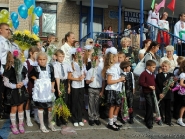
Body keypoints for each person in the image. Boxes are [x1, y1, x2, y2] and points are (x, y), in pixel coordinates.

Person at [29, 52, 56, 133]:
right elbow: (30, 75)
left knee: (50, 107)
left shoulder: (50, 67)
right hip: (41, 91)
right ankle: (42, 125)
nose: (42, 61)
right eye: (40, 59)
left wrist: (52, 87)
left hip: (48, 90)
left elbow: (53, 79)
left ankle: (50, 123)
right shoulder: (36, 68)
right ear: (37, 60)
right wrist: (36, 80)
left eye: (44, 59)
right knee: (40, 107)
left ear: (46, 60)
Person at [3, 52, 28, 134]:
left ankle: (20, 124)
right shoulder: (8, 69)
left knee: (21, 107)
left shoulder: (22, 67)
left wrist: (23, 83)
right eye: (14, 58)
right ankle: (13, 125)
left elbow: (26, 78)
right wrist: (15, 86)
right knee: (14, 108)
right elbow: (5, 82)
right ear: (10, 59)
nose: (17, 59)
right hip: (13, 91)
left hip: (21, 89)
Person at [102, 47, 125, 131]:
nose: (118, 58)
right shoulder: (110, 68)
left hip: (118, 89)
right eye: (116, 57)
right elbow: (109, 81)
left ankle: (114, 121)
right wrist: (119, 79)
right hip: (112, 89)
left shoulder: (117, 66)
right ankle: (110, 123)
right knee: (112, 106)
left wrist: (122, 78)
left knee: (117, 105)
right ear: (112, 58)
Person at [67, 48, 86, 127]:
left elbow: (84, 73)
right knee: (74, 102)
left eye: (82, 54)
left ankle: (79, 118)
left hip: (81, 85)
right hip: (75, 86)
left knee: (80, 102)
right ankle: (74, 119)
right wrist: (77, 79)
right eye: (80, 54)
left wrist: (83, 76)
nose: (82, 55)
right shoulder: (72, 64)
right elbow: (69, 77)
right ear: (75, 55)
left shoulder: (82, 63)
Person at [53, 49, 71, 126]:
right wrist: (58, 88)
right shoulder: (55, 65)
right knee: (59, 102)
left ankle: (64, 118)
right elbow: (57, 77)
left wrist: (69, 86)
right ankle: (58, 119)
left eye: (63, 56)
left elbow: (69, 76)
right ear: (56, 57)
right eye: (60, 56)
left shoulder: (66, 64)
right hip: (59, 83)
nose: (61, 58)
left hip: (65, 82)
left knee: (65, 101)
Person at [24, 46, 40, 127]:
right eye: (36, 53)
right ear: (31, 53)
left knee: (37, 101)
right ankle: (28, 118)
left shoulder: (38, 62)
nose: (37, 55)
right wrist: (26, 86)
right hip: (30, 83)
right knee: (28, 101)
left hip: (37, 84)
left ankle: (36, 116)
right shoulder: (26, 62)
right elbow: (26, 75)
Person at [85, 56, 103, 126]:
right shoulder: (90, 71)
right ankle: (91, 118)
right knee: (91, 103)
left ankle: (96, 117)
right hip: (91, 89)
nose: (95, 62)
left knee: (97, 104)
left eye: (96, 61)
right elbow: (86, 82)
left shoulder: (101, 70)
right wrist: (90, 80)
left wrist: (102, 90)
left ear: (98, 61)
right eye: (93, 61)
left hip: (98, 89)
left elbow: (103, 81)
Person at [139, 60, 156, 129]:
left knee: (151, 105)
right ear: (148, 67)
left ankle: (148, 118)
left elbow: (153, 82)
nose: (154, 69)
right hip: (147, 91)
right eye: (153, 67)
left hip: (152, 91)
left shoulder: (151, 74)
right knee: (150, 105)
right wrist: (148, 86)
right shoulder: (144, 73)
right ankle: (149, 121)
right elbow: (141, 82)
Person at [156, 60, 174, 126]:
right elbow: (156, 85)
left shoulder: (171, 75)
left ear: (169, 67)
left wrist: (172, 85)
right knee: (161, 108)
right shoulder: (158, 75)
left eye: (165, 66)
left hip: (168, 94)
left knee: (168, 108)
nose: (164, 68)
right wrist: (159, 93)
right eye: (163, 66)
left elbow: (173, 85)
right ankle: (160, 119)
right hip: (161, 94)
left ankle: (168, 120)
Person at [0, 23, 11, 119]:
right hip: (2, 67)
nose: (9, 31)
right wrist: (1, 71)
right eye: (7, 29)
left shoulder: (7, 41)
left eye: (9, 29)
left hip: (7, 67)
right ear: (1, 30)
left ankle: (5, 109)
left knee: (7, 89)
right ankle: (1, 111)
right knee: (1, 90)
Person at [83, 45, 93, 111]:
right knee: (86, 92)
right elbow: (84, 69)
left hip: (91, 76)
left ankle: (89, 105)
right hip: (87, 77)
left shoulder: (92, 59)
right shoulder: (85, 60)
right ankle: (86, 105)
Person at [176, 60, 185, 126]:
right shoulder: (183, 74)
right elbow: (181, 83)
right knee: (183, 106)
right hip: (183, 92)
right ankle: (180, 119)